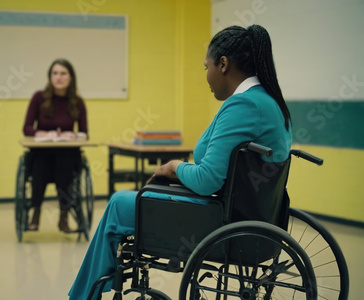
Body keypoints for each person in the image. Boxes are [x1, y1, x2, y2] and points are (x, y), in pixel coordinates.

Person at [69, 24, 292, 299]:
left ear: (223, 64)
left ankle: (81, 296)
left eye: (206, 67)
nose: (206, 76)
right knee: (135, 200)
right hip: (248, 216)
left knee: (118, 203)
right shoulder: (270, 103)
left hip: (221, 222)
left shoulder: (244, 105)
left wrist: (173, 167)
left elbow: (207, 179)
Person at [23, 58, 88, 233]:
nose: (58, 77)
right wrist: (42, 133)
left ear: (71, 77)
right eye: (55, 73)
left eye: (63, 73)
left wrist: (71, 135)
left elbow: (84, 133)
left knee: (65, 162)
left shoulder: (78, 102)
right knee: (40, 163)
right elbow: (27, 128)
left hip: (66, 153)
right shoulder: (38, 98)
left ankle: (64, 217)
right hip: (42, 151)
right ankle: (35, 214)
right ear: (50, 76)